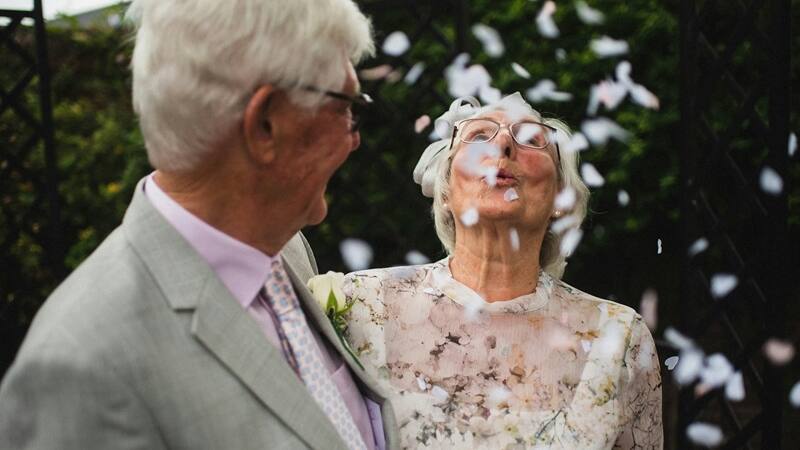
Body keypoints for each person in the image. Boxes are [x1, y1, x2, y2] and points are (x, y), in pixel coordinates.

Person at [0, 1, 399, 449]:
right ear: (266, 125)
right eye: (346, 106)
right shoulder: (82, 368)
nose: (355, 136)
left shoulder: (284, 249)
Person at [310, 93, 662, 449]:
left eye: (531, 139)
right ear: (445, 192)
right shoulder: (361, 305)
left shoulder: (617, 337)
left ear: (560, 197)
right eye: (479, 136)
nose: (505, 144)